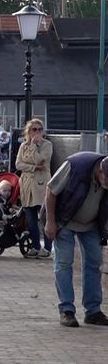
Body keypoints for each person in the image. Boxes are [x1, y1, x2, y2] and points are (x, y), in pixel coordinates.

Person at [43, 153, 108, 328]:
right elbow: (51, 191)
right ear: (100, 171)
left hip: (92, 224)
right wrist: (50, 222)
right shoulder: (75, 166)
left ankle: (93, 311)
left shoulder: (105, 176)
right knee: (64, 263)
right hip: (64, 220)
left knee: (94, 264)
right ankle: (66, 310)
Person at [16, 119, 53, 258]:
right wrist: (33, 167)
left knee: (45, 217)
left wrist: (34, 147)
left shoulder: (47, 145)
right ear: (28, 131)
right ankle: (36, 246)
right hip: (26, 185)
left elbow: (42, 161)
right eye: (34, 129)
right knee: (30, 218)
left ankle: (48, 248)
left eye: (40, 129)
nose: (37, 132)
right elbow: (18, 164)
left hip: (41, 184)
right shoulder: (23, 146)